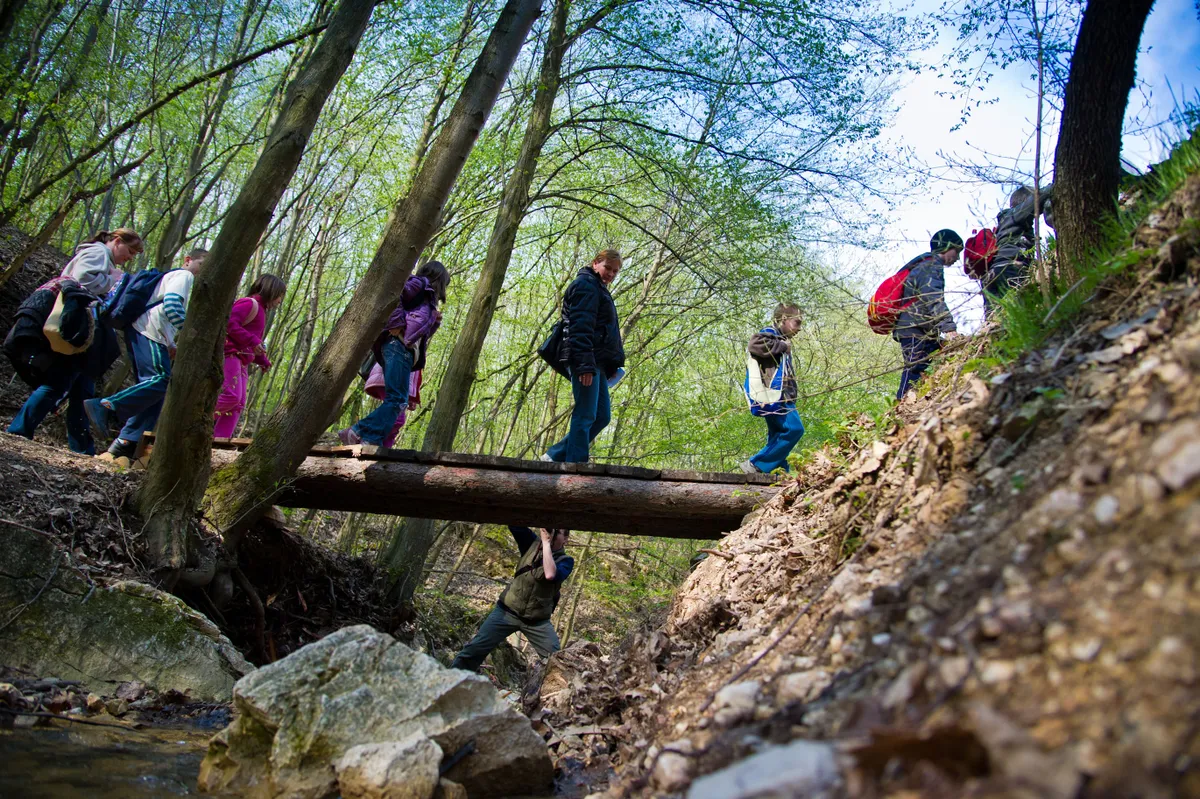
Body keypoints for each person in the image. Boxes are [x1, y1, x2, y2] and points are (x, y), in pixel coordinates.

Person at [84, 248, 208, 462]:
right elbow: (171, 306)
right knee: (160, 381)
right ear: (188, 260)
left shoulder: (182, 279)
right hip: (148, 331)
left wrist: (171, 343)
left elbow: (164, 310)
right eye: (202, 264)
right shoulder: (183, 275)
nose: (203, 271)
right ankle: (106, 406)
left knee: (155, 392)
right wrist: (193, 336)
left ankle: (124, 444)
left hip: (152, 333)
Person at [338, 260, 449, 446]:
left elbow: (420, 335)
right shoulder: (419, 283)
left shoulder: (427, 300)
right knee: (397, 400)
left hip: (405, 350)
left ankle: (368, 438)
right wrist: (396, 323)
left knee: (398, 401)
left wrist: (434, 322)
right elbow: (393, 296)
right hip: (397, 345)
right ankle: (359, 432)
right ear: (439, 278)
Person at [4, 277, 118, 454]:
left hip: (84, 338)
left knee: (82, 393)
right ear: (118, 246)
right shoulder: (97, 255)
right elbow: (77, 287)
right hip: (74, 331)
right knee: (56, 385)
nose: (129, 257)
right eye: (130, 252)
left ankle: (82, 449)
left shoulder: (106, 262)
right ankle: (18, 431)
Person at [451, 526, 573, 673]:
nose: (551, 535)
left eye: (557, 532)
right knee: (473, 651)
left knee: (557, 663)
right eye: (550, 530)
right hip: (506, 612)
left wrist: (546, 544)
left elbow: (550, 574)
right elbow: (515, 524)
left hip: (537, 622)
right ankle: (448, 685)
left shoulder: (566, 561)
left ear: (565, 539)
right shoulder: (531, 544)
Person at [541, 249, 625, 463]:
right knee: (586, 413)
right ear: (596, 263)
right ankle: (575, 464)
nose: (611, 274)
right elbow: (580, 328)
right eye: (608, 268)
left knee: (601, 416)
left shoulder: (599, 289)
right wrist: (584, 365)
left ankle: (554, 455)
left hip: (598, 362)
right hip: (585, 359)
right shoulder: (586, 285)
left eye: (615, 271)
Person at [213, 274, 287, 438]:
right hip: (231, 354)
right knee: (231, 396)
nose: (279, 301)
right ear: (271, 290)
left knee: (239, 403)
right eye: (280, 296)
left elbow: (252, 343)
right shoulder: (249, 303)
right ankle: (196, 420)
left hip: (243, 361)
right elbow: (230, 324)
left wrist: (263, 361)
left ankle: (219, 438)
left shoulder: (262, 311)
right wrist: (253, 341)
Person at [893, 230, 963, 401]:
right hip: (914, 329)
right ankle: (900, 408)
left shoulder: (925, 265)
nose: (958, 258)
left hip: (918, 328)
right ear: (946, 247)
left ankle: (916, 402)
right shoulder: (931, 266)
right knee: (914, 370)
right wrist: (949, 329)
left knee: (930, 361)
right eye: (957, 251)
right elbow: (933, 299)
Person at [740, 303, 805, 474]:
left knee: (777, 436)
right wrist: (783, 346)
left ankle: (779, 471)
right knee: (794, 429)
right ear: (783, 319)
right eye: (797, 322)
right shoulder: (770, 333)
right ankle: (756, 464)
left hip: (780, 397)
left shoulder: (778, 338)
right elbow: (755, 344)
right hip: (777, 397)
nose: (800, 328)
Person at [983, 185, 1053, 310]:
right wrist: (1053, 186)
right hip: (1011, 268)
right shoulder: (1016, 215)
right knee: (1022, 308)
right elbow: (1038, 197)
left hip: (993, 272)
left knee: (994, 319)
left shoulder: (1003, 223)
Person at [60, 228, 143, 298]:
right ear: (117, 241)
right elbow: (82, 279)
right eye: (130, 251)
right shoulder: (99, 252)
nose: (131, 258)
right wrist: (113, 278)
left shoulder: (104, 256)